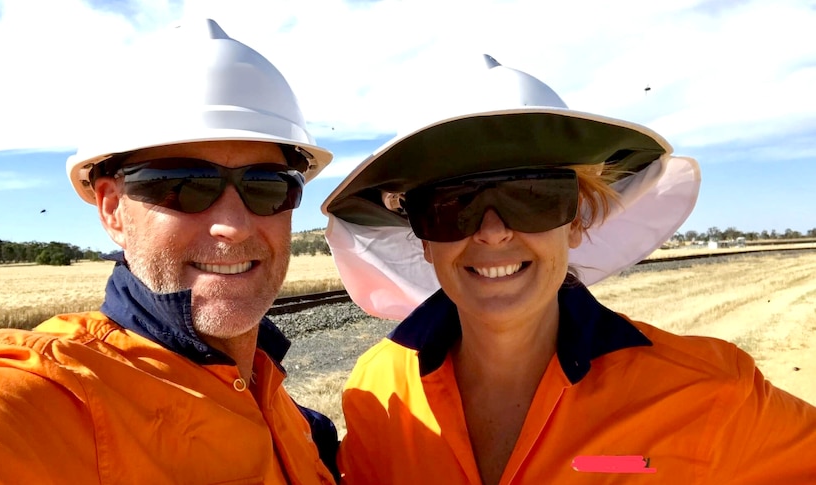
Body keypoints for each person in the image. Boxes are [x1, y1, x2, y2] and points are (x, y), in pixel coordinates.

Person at [322, 56, 816, 484]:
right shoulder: (378, 393)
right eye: (454, 205)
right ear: (424, 238)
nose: (493, 232)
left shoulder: (710, 395)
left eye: (533, 199)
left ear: (576, 221)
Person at [0, 19, 338, 484]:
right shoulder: (53, 393)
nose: (234, 226)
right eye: (184, 186)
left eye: (267, 186)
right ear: (113, 210)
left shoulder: (283, 410)